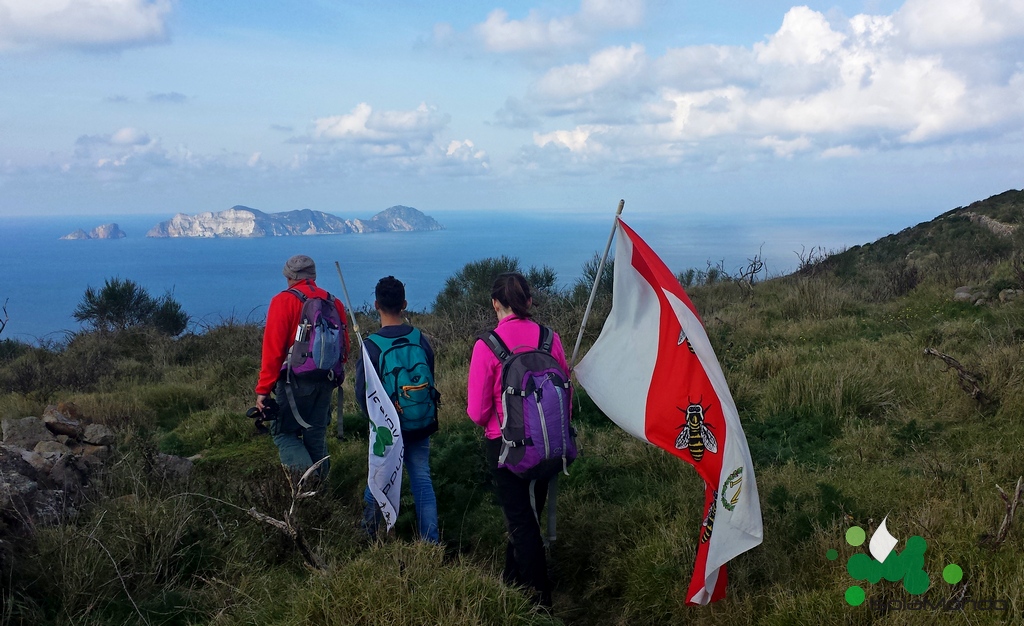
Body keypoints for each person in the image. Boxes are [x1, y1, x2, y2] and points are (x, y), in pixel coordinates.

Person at [467, 272, 566, 607]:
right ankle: (510, 582)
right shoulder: (550, 338)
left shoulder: (487, 345)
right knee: (527, 515)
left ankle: (541, 602)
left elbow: (478, 412)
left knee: (523, 524)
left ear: (495, 303)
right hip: (550, 442)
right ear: (529, 302)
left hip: (506, 448)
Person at [356, 276, 440, 543]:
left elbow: (363, 394)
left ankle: (368, 536)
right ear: (404, 304)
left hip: (388, 429)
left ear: (376, 305)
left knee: (379, 479)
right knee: (422, 480)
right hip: (421, 421)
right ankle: (431, 543)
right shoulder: (419, 338)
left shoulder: (371, 346)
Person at [255, 254, 349, 477]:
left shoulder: (283, 301)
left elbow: (273, 350)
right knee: (315, 434)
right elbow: (344, 348)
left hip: (293, 382)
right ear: (313, 276)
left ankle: (307, 486)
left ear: (289, 276)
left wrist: (263, 390)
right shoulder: (334, 302)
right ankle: (324, 496)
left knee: (283, 433)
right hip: (326, 379)